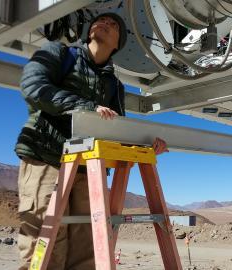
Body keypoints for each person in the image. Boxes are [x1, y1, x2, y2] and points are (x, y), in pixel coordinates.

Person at [15, 13, 167, 269]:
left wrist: (145, 145)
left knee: (87, 252)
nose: (105, 23)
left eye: (114, 25)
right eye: (101, 20)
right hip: (47, 159)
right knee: (46, 247)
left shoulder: (114, 86)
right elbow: (33, 86)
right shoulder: (57, 53)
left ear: (118, 44)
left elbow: (117, 129)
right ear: (89, 31)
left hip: (88, 170)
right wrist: (86, 108)